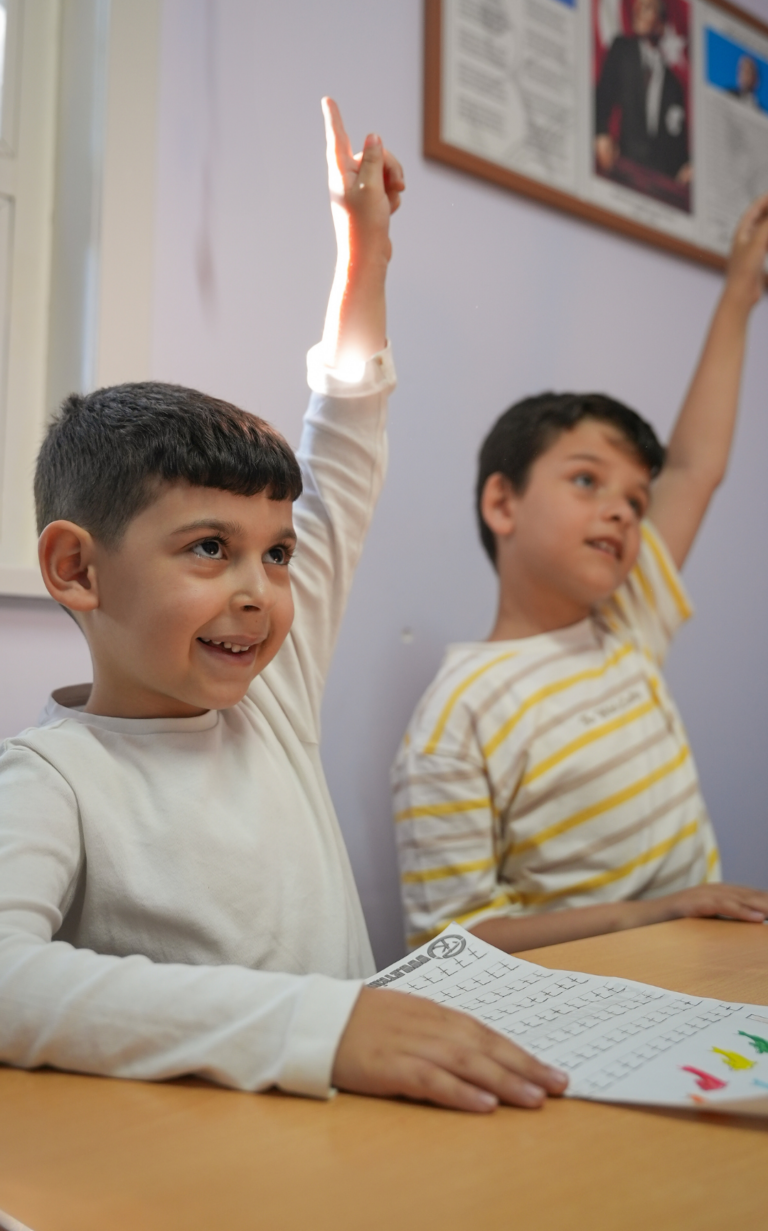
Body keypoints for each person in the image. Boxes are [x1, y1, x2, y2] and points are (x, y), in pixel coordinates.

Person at [0, 99, 566, 1116]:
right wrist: (321, 1026)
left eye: (278, 553)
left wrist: (365, 257)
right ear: (77, 569)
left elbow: (343, 443)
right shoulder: (53, 780)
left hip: (358, 1139)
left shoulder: (269, 696)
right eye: (208, 548)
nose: (257, 591)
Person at [392, 196, 768, 955]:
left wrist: (739, 294)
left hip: (707, 965)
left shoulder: (628, 622)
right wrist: (652, 912)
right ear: (503, 502)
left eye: (636, 500)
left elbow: (694, 468)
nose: (624, 511)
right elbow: (451, 940)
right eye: (588, 481)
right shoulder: (459, 715)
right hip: (588, 995)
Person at [595, 0, 690, 184]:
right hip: (623, 166)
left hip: (660, 178)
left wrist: (685, 166)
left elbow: (677, 138)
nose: (638, 10)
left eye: (647, 7)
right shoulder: (622, 50)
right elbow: (603, 95)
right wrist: (601, 133)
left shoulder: (673, 85)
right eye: (637, 6)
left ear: (661, 24)